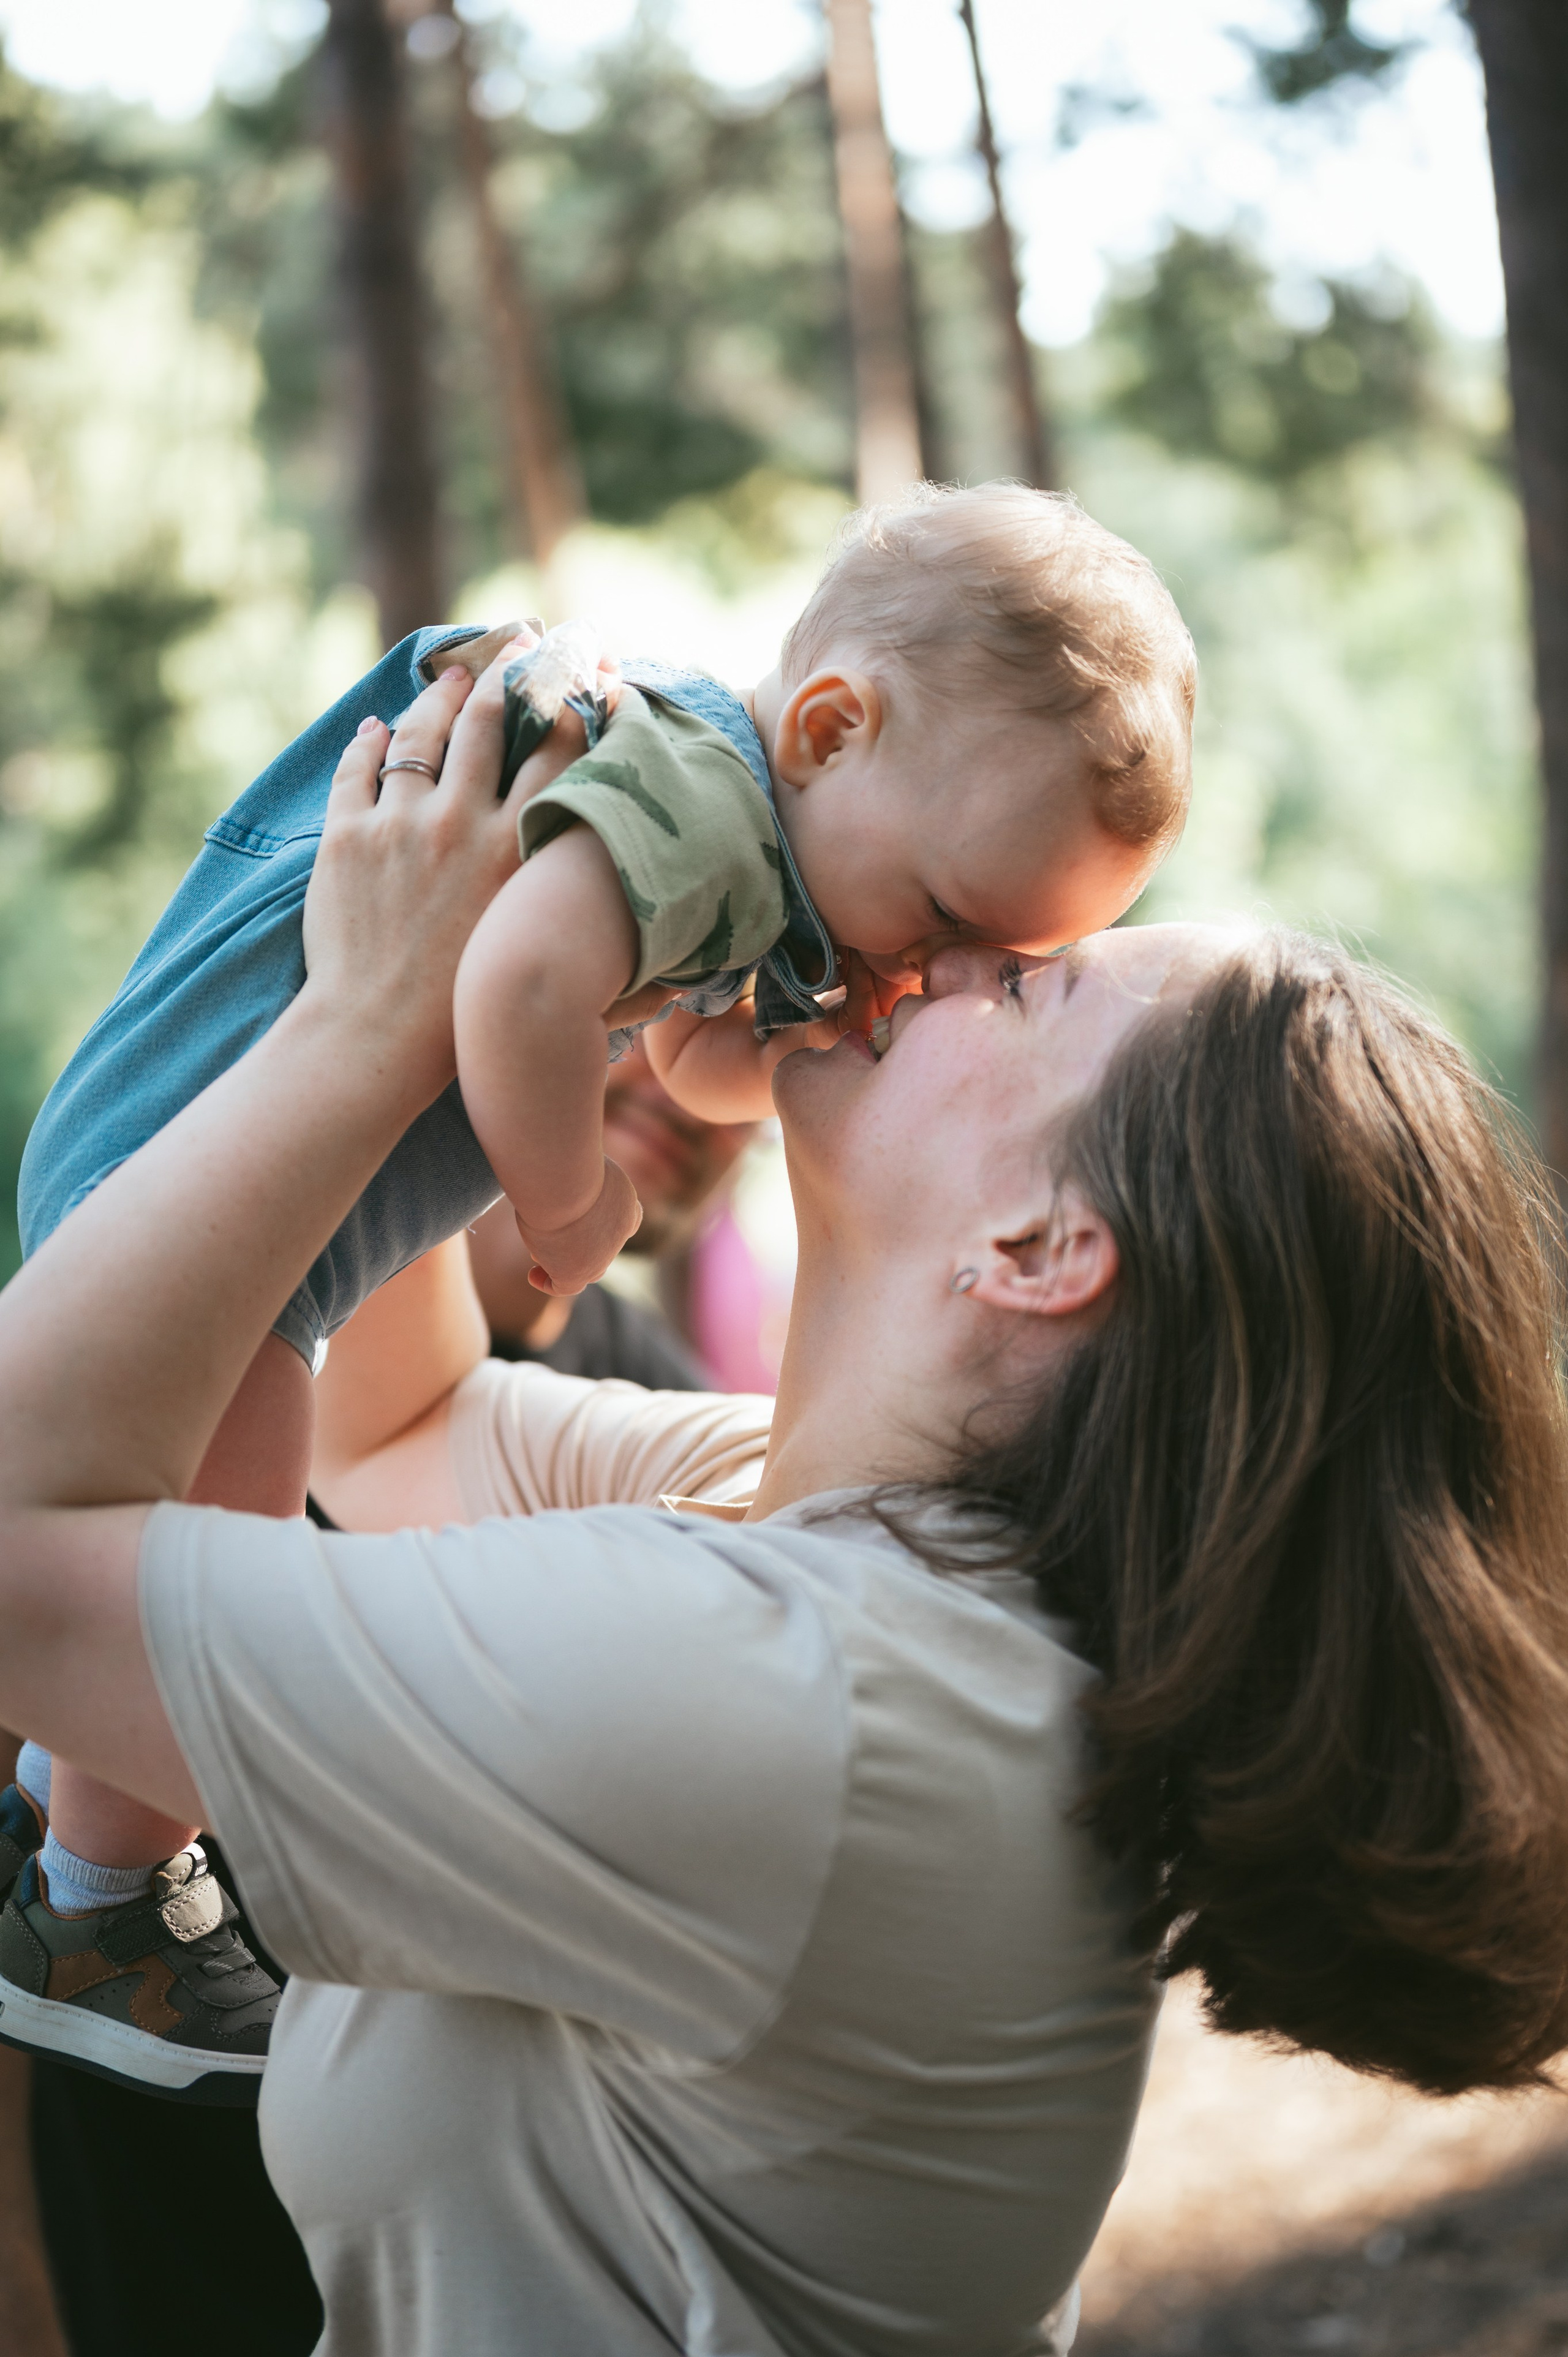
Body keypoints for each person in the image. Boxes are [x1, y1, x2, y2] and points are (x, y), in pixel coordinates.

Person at [1, 667, 1567, 2357]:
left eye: (1028, 984)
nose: (951, 950)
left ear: (1041, 1252)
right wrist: (543, 937)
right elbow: (394, 1432)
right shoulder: (833, 1534)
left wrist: (351, 1026)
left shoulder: (820, 1697)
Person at [1, 483, 1197, 2081]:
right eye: (944, 922)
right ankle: (105, 1908)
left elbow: (688, 1050)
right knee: (221, 1510)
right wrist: (571, 1199)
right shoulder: (699, 789)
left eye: (997, 972)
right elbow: (518, 979)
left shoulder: (766, 861)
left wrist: (788, 1034)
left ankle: (68, 1800)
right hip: (197, 1140)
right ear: (830, 727)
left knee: (227, 1497)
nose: (929, 979)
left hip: (247, 1186)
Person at [467, 1034, 758, 1387]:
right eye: (671, 1030)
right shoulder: (381, 1226)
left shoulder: (663, 1409)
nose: (693, 1110)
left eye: (747, 1088)